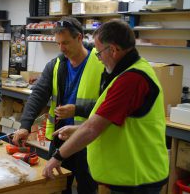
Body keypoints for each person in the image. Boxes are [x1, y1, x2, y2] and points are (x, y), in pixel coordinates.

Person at [43, 19, 169, 194]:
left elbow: (93, 128)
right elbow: (105, 119)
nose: (99, 58)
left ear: (114, 50)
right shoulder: (127, 72)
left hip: (138, 178)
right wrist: (77, 130)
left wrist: (57, 157)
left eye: (99, 52)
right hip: (131, 175)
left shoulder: (131, 79)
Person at [13, 16, 104, 194]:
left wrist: (78, 109)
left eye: (66, 43)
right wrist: (25, 126)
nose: (61, 48)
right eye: (58, 44)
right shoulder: (55, 65)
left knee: (87, 188)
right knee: (59, 185)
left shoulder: (101, 63)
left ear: (79, 38)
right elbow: (38, 95)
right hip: (60, 138)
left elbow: (109, 105)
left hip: (88, 139)